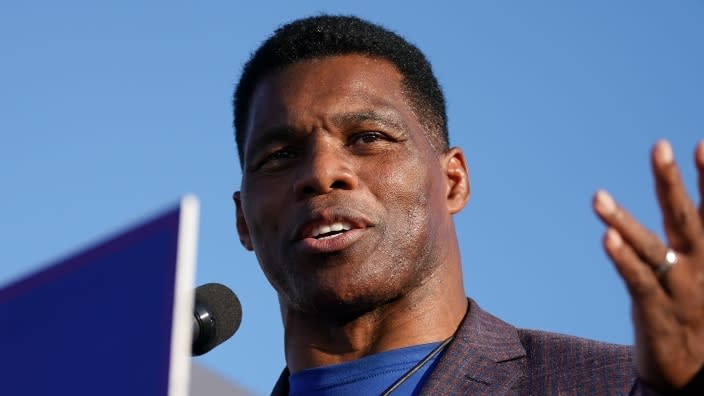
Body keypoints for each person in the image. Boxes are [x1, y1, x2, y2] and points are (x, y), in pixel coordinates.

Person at [231, 15, 704, 395]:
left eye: (368, 138)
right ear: (243, 221)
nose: (321, 172)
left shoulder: (617, 385)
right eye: (280, 156)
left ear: (453, 180)